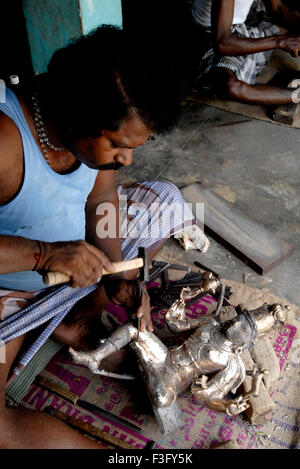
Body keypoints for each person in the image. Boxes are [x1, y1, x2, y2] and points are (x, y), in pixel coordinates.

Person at [0, 26, 203, 448]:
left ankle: (71, 312)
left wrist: (115, 273)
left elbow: (102, 199)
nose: (126, 159)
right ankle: (53, 317)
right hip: (11, 284)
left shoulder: (83, 136)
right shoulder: (4, 140)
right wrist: (44, 256)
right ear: (78, 114)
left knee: (164, 198)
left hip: (75, 262)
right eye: (116, 145)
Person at [191, 0, 300, 105]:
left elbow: (278, 9)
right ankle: (297, 95)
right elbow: (222, 43)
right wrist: (280, 42)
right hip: (215, 37)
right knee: (230, 86)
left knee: (283, 26)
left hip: (247, 22)